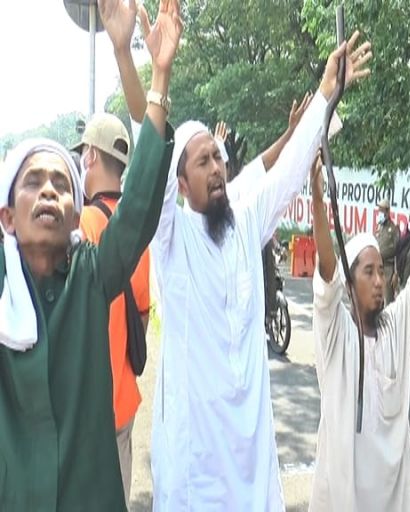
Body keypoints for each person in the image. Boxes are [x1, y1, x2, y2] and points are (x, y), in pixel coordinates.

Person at [114, 5, 373, 505]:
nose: (216, 167)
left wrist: (326, 92)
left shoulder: (245, 220)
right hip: (195, 466)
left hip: (249, 460)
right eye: (203, 161)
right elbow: (151, 156)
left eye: (218, 157)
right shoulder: (171, 235)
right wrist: (149, 69)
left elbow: (292, 169)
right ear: (180, 183)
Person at [0, 0, 180, 508]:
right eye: (33, 183)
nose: (51, 192)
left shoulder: (92, 272)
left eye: (63, 183)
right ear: (7, 217)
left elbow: (143, 200)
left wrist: (151, 71)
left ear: (77, 214)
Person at [309, 162, 410, 511]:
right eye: (368, 272)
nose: (378, 280)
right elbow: (326, 274)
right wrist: (316, 200)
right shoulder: (335, 332)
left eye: (380, 271)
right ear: (349, 282)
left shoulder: (396, 328)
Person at [73, 112, 148, 506]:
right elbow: (141, 312)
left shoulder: (83, 221)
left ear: (90, 157)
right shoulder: (135, 226)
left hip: (89, 406)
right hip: (124, 398)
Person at [375, 198, 400, 305]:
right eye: (379, 210)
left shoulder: (394, 229)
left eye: (382, 210)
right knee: (377, 298)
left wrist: (396, 273)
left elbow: (397, 252)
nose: (380, 213)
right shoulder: (379, 227)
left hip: (389, 269)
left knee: (388, 300)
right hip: (379, 267)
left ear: (388, 211)